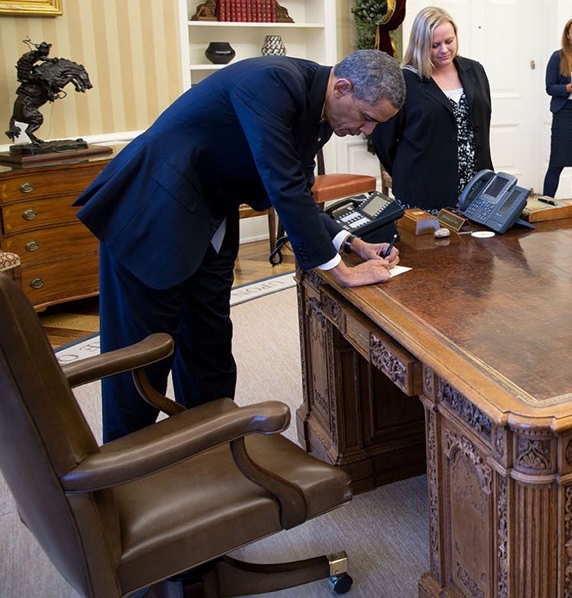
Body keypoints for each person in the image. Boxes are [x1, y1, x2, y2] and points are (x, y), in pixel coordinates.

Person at [74, 51, 406, 441]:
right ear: (343, 87)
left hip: (208, 221)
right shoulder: (273, 81)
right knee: (140, 358)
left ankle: (213, 445)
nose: (367, 130)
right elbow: (281, 184)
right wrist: (342, 272)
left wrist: (352, 242)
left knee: (209, 343)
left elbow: (295, 191)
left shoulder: (321, 112)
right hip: (150, 213)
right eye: (367, 117)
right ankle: (125, 467)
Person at [372, 6, 493, 211]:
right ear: (420, 44)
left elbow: (483, 122)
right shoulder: (404, 81)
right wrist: (408, 171)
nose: (444, 50)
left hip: (476, 187)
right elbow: (383, 139)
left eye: (449, 41)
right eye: (434, 45)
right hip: (425, 191)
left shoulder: (475, 70)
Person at [542, 17, 572, 207]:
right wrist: (571, 86)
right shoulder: (558, 57)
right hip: (564, 114)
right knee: (556, 163)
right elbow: (550, 88)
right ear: (568, 36)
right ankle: (545, 206)